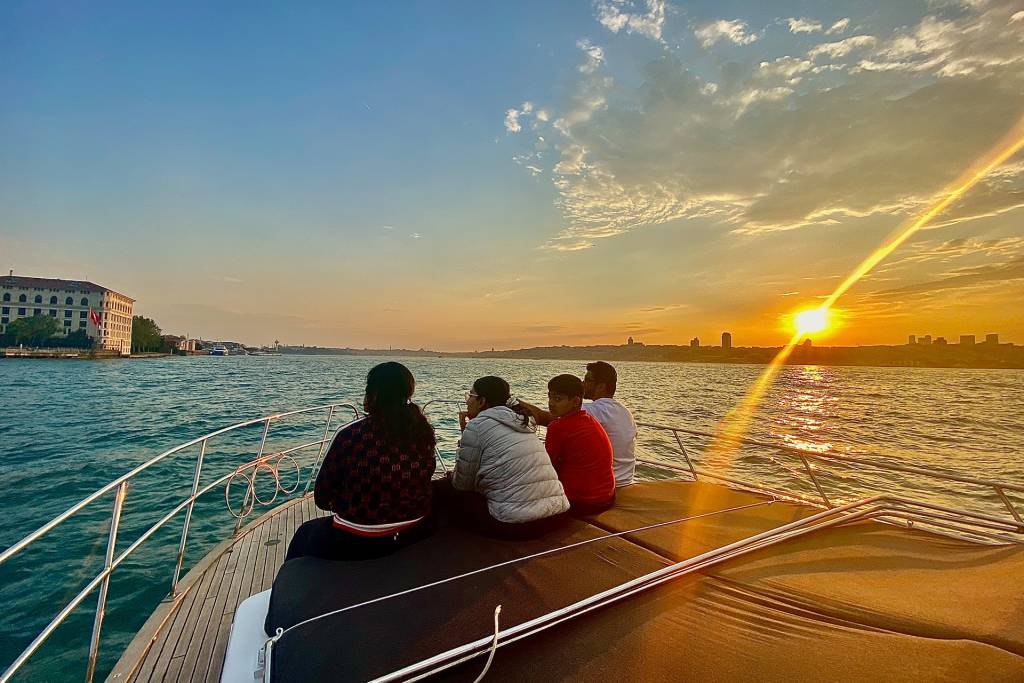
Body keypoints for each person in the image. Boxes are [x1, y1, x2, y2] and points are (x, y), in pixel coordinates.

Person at [285, 362, 437, 561]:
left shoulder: (350, 434)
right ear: (408, 393)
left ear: (372, 394)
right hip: (414, 526)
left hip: (358, 536)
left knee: (305, 534)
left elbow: (322, 497)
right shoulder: (423, 431)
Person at [447, 376, 569, 539]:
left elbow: (462, 485)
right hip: (556, 516)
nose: (468, 401)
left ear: (482, 401)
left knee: (447, 494)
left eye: (470, 395)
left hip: (517, 525)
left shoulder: (477, 426)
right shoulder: (523, 420)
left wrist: (465, 437)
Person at [519, 361, 637, 487]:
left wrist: (511, 401)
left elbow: (545, 418)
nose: (582, 383)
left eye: (587, 380)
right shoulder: (626, 413)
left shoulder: (593, 411)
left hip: (609, 483)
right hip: (626, 480)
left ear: (601, 386)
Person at [540, 374, 616, 515]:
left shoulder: (558, 427)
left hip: (582, 502)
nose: (551, 403)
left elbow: (548, 467)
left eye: (558, 399)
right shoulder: (589, 420)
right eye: (549, 397)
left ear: (575, 401)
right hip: (607, 497)